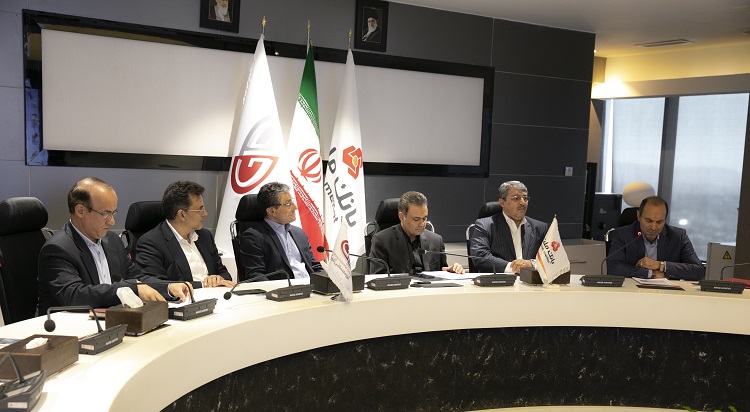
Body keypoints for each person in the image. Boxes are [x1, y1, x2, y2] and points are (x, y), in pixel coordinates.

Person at [37, 177, 191, 315]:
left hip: (112, 320)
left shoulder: (112, 240)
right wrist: (129, 289)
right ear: (80, 210)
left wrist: (168, 287)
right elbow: (74, 295)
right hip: (68, 328)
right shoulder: (58, 249)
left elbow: (136, 277)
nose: (112, 221)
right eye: (105, 214)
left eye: (113, 213)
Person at [136, 181, 235, 289]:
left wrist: (218, 279)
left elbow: (224, 273)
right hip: (185, 298)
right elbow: (156, 285)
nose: (205, 213)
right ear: (182, 215)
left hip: (217, 296)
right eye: (200, 209)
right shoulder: (151, 243)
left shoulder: (205, 236)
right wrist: (204, 285)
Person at [239, 182, 322, 281]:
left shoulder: (299, 233)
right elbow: (256, 275)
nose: (295, 207)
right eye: (288, 204)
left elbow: (314, 267)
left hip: (311, 287)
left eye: (292, 202)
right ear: (272, 211)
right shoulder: (253, 237)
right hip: (284, 289)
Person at [607, 196, 704, 280]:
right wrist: (650, 274)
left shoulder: (678, 236)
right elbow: (612, 267)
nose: (653, 227)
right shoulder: (622, 234)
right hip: (633, 291)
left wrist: (660, 265)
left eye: (659, 222)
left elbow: (698, 270)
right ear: (638, 216)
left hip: (666, 293)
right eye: (648, 220)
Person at [369, 191, 464, 275]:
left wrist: (451, 271)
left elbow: (442, 272)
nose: (422, 224)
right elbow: (378, 278)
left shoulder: (436, 241)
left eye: (424, 218)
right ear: (401, 216)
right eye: (416, 219)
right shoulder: (382, 241)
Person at [469, 181, 549, 274]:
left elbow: (553, 259)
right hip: (500, 280)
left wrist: (532, 264)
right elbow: (480, 257)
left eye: (525, 198)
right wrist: (514, 268)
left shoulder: (540, 227)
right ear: (502, 202)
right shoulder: (485, 225)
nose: (522, 202)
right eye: (516, 198)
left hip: (532, 280)